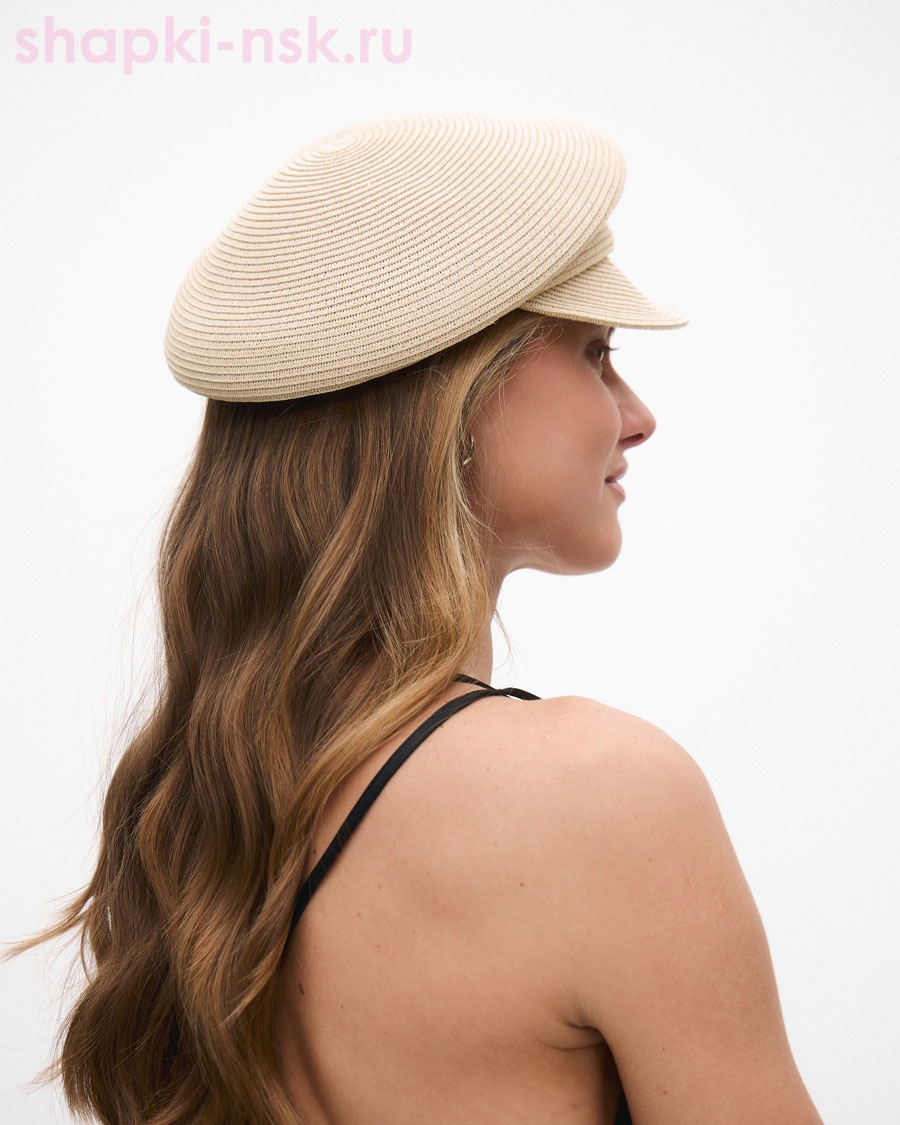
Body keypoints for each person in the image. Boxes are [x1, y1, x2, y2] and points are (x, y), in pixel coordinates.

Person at [21, 114, 822, 1124]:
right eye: (596, 354)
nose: (637, 415)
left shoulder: (192, 807)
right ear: (456, 400)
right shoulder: (603, 793)